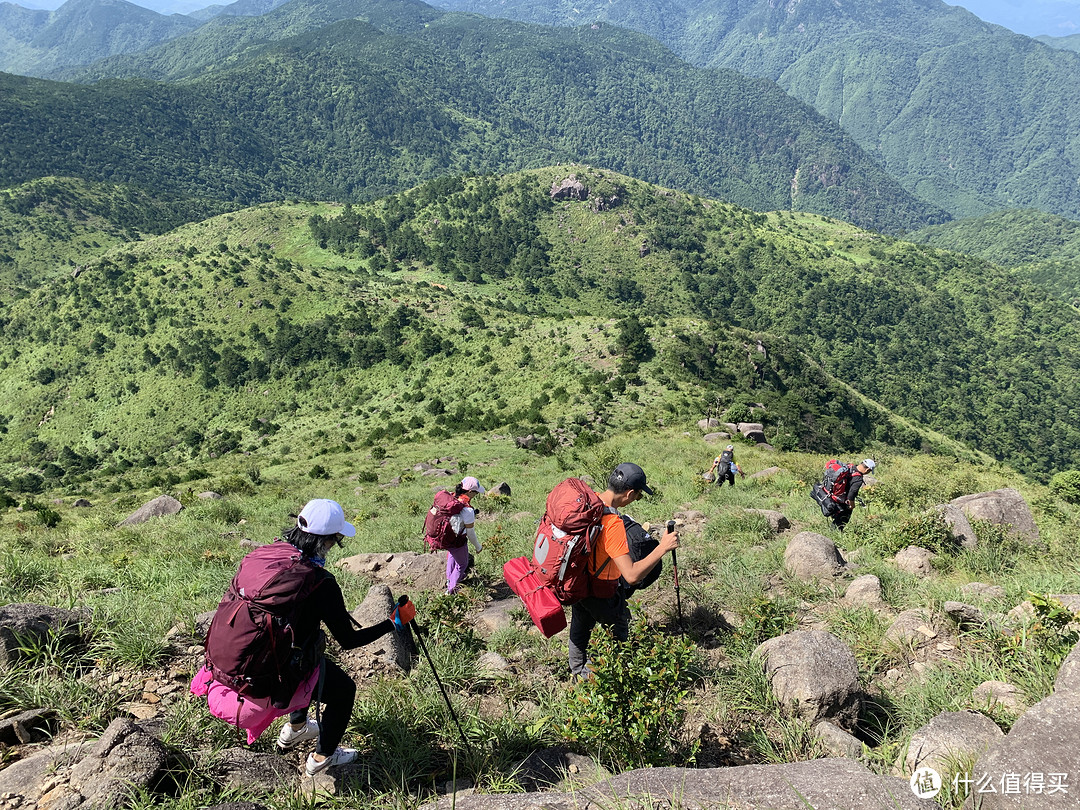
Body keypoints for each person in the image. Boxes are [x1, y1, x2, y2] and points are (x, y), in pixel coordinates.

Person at [191, 498, 416, 777]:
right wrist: (394, 622)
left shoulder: (265, 555)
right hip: (270, 671)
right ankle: (322, 758)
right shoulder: (320, 582)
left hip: (233, 661)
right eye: (334, 540)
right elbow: (348, 640)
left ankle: (296, 729)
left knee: (301, 654)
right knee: (342, 690)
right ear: (329, 541)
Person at [568, 462, 679, 679]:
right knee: (620, 633)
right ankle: (615, 684)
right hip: (601, 590)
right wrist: (663, 547)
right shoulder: (612, 523)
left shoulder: (589, 503)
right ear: (629, 493)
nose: (636, 499)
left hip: (577, 581)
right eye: (638, 496)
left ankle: (578, 672)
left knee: (580, 629)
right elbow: (632, 575)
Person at [425, 476, 484, 594]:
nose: (476, 495)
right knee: (462, 564)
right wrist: (478, 547)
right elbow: (470, 533)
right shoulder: (467, 510)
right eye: (476, 493)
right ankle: (451, 590)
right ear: (470, 492)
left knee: (452, 555)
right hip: (457, 540)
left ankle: (449, 580)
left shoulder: (452, 497)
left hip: (446, 537)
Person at [832, 459, 875, 530]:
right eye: (869, 471)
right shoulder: (858, 479)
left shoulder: (849, 467)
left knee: (837, 517)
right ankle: (834, 533)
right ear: (867, 469)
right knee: (842, 520)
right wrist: (852, 505)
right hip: (842, 499)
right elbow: (851, 495)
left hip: (833, 494)